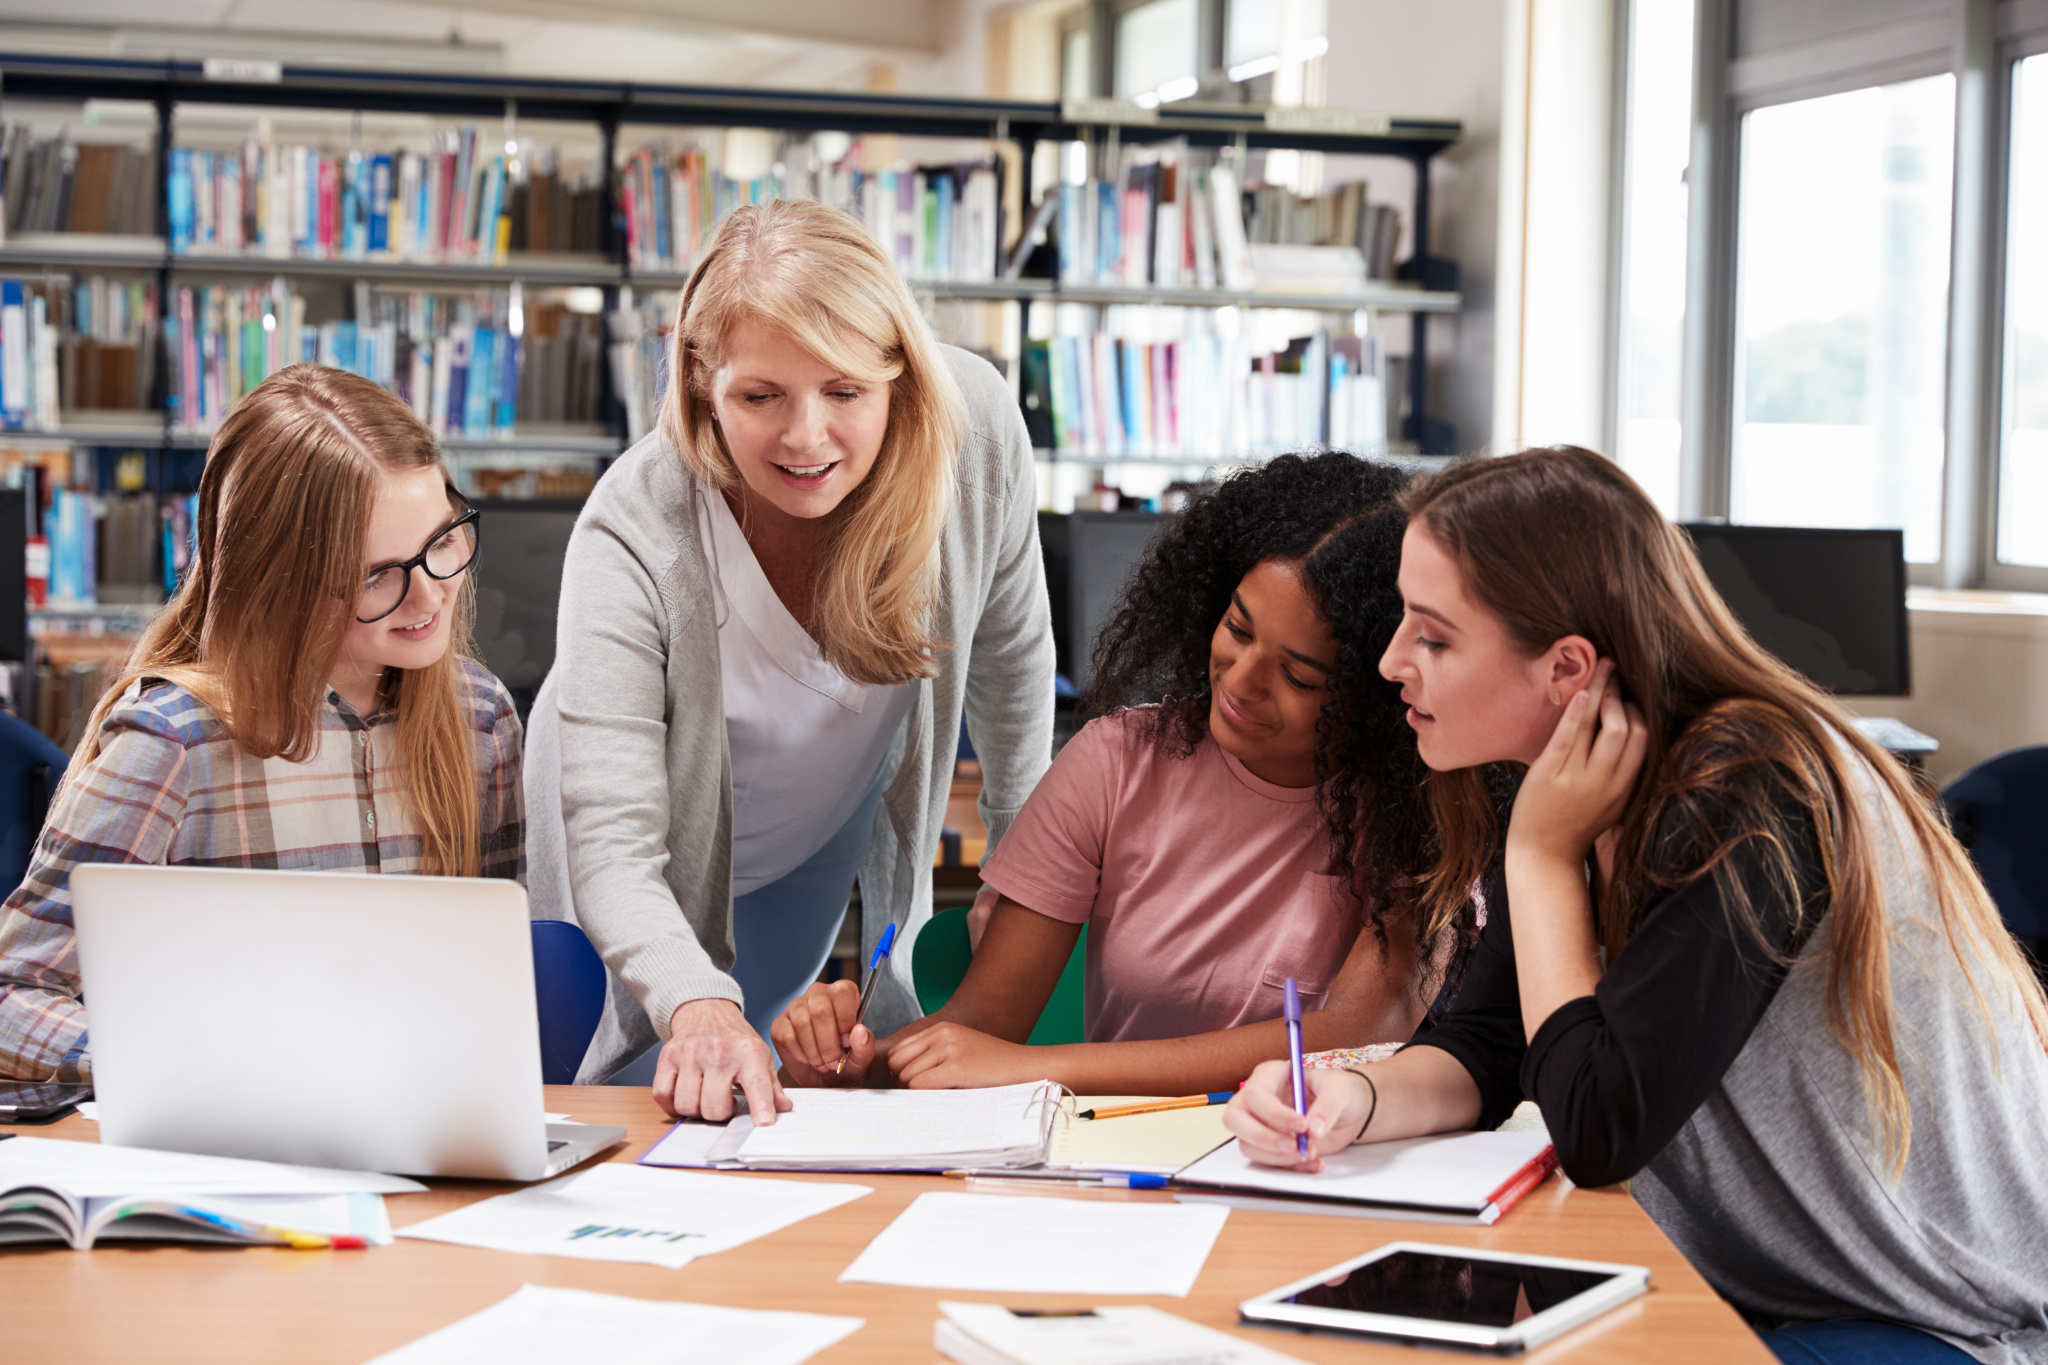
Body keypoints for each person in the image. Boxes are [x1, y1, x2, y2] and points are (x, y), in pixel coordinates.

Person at [1224, 447, 2048, 1365]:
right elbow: (1493, 1041)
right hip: (1771, 1291)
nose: (1388, 664)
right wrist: (1352, 1099)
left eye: (1434, 636)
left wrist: (1539, 859)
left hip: (1941, 1321)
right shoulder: (1578, 778)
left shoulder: (1750, 792)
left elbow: (1597, 1127)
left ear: (1567, 668)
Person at [524, 198, 1053, 1122]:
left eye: (845, 391)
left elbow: (1014, 667)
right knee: (629, 1089)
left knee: (752, 1083)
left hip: (816, 826)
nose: (804, 437)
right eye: (759, 396)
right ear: (700, 384)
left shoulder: (974, 440)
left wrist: (1018, 868)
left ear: (899, 376)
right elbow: (612, 844)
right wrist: (693, 1000)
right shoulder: (633, 526)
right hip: (640, 853)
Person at [773, 452, 1459, 1094]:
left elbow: (1352, 1037)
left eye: (1299, 675)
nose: (1243, 681)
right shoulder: (1114, 762)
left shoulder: (1419, 805)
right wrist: (848, 1060)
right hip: (1113, 1171)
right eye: (1238, 629)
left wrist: (1039, 1067)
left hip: (1307, 1174)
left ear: (1376, 689)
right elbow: (981, 1029)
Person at [0, 364, 524, 1083]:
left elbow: (500, 982)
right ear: (278, 576)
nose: (430, 595)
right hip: (239, 1151)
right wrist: (194, 1065)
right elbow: (14, 996)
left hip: (428, 1140)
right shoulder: (174, 740)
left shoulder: (481, 718)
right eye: (377, 574)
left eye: (442, 541)